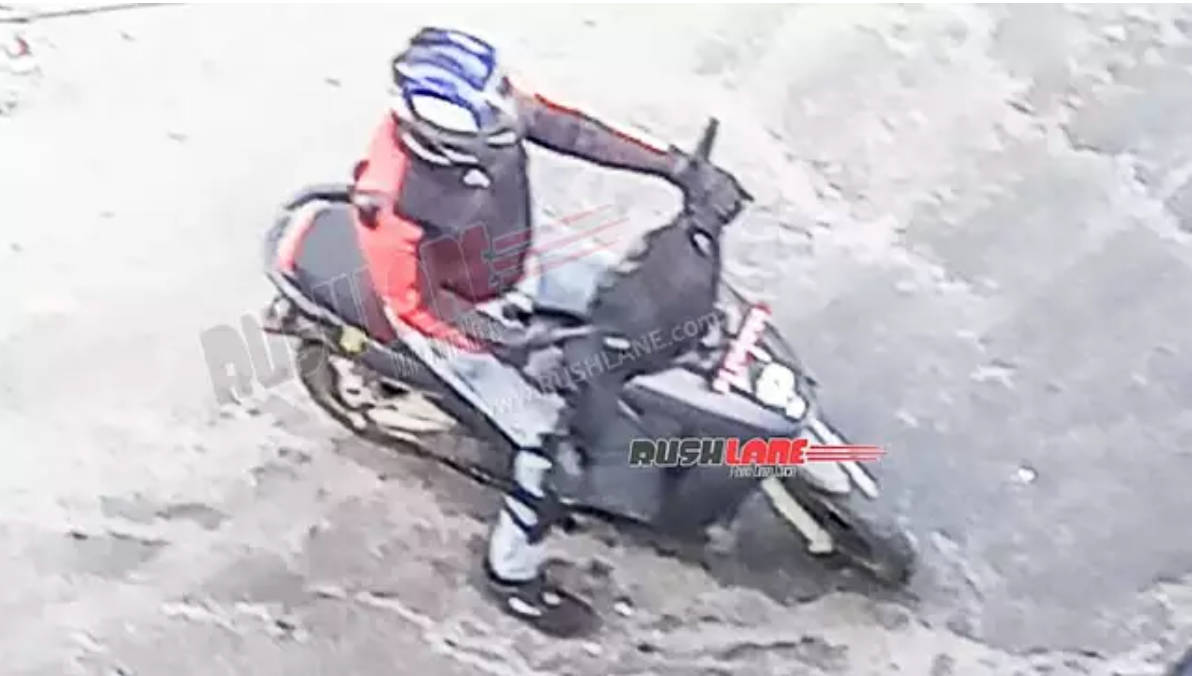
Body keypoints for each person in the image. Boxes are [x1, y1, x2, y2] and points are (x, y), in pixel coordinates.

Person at [349, 26, 745, 637]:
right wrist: (511, 345)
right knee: (546, 445)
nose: (510, 112)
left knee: (632, 288)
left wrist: (677, 168)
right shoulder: (391, 200)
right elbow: (418, 304)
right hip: (462, 319)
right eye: (493, 109)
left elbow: (575, 130)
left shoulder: (498, 112)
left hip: (520, 260)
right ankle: (511, 574)